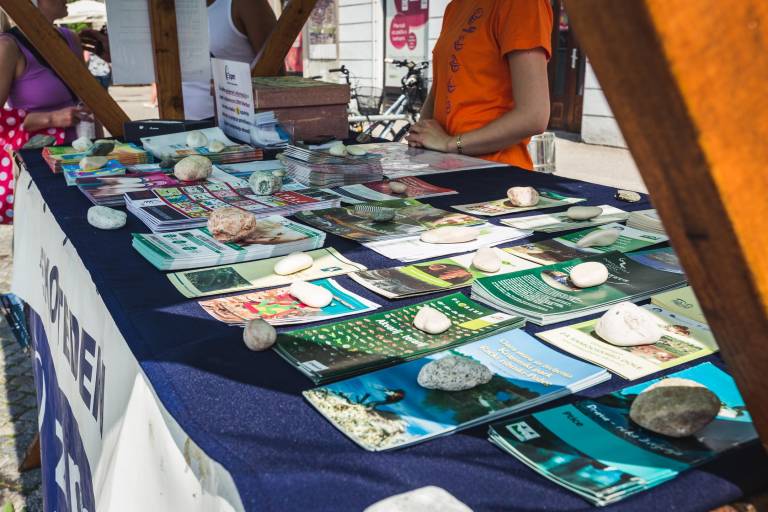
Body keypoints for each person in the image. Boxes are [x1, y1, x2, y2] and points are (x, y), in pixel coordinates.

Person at [407, 0, 553, 170]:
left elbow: (533, 116)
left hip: (492, 172)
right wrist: (421, 134)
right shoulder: (454, 8)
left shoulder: (520, 4)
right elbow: (442, 85)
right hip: (442, 167)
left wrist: (450, 144)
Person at [0, 1, 92, 223]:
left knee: (81, 222)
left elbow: (86, 97)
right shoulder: (8, 47)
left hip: (79, 155)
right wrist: (50, 118)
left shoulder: (70, 38)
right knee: (43, 228)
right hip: (37, 160)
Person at [183, 0, 277, 120]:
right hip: (176, 123)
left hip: (234, 123)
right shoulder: (169, 9)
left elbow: (276, 73)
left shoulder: (244, 4)